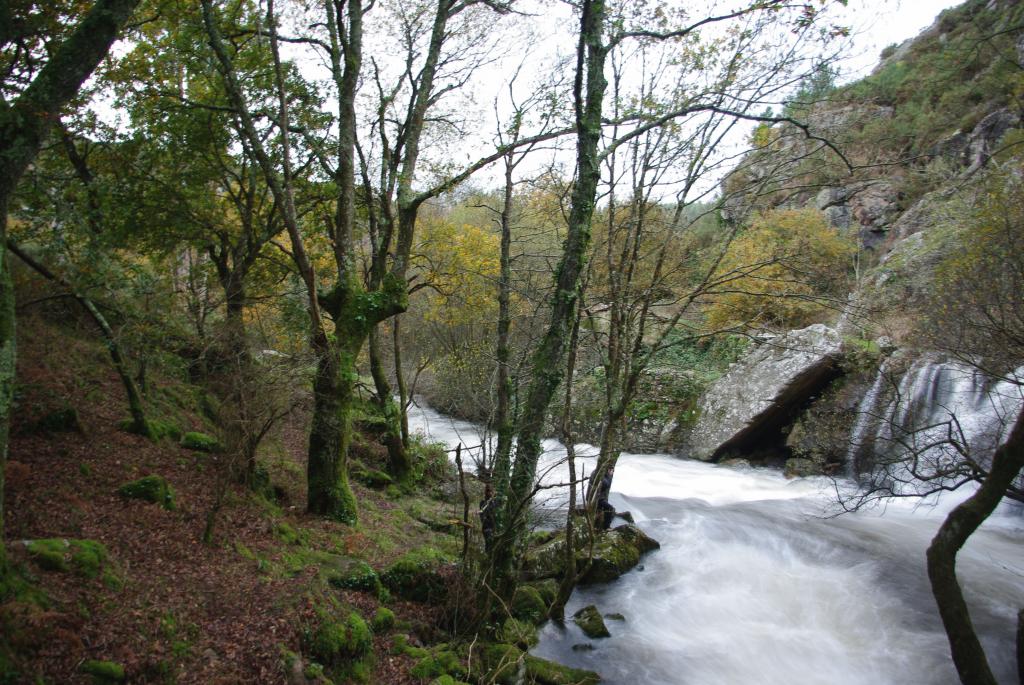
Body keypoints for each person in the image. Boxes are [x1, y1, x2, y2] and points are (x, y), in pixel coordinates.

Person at [479, 483, 497, 553]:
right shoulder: (483, 502)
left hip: (495, 527)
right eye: (488, 491)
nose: (489, 493)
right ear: (485, 492)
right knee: (488, 544)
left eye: (491, 491)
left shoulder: (495, 501)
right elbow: (482, 515)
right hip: (487, 527)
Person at [596, 465, 615, 530]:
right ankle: (606, 527)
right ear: (608, 470)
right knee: (610, 508)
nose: (612, 472)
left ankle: (600, 526)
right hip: (598, 498)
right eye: (612, 470)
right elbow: (606, 484)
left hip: (599, 497)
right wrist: (609, 476)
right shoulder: (602, 476)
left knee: (605, 509)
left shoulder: (598, 473)